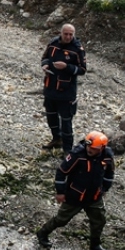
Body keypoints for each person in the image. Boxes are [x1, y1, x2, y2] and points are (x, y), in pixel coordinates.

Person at [37, 131, 115, 250]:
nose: (89, 150)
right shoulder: (77, 155)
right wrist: (60, 192)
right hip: (75, 196)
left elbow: (109, 173)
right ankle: (43, 232)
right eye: (88, 146)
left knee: (99, 220)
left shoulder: (107, 156)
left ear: (102, 148)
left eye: (93, 148)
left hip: (94, 196)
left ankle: (95, 244)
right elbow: (61, 172)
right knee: (62, 219)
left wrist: (105, 188)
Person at [39, 23, 86, 153]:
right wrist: (45, 65)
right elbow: (45, 58)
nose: (68, 36)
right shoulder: (53, 43)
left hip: (67, 93)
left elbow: (82, 70)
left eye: (71, 34)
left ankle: (67, 150)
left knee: (66, 123)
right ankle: (56, 139)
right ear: (61, 33)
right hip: (50, 88)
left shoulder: (77, 49)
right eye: (66, 34)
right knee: (51, 118)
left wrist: (66, 67)